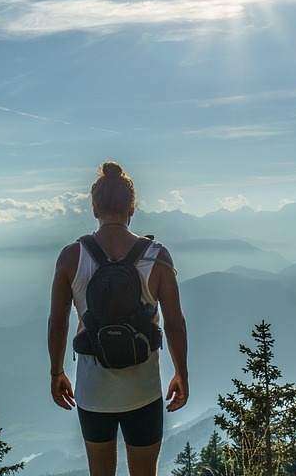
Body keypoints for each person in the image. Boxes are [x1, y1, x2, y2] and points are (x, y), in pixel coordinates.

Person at [48, 161, 189, 476]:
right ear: (132, 207)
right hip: (144, 389)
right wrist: (182, 374)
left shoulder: (72, 256)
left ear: (95, 208)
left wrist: (57, 372)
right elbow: (175, 323)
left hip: (93, 390)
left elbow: (58, 324)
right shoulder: (157, 256)